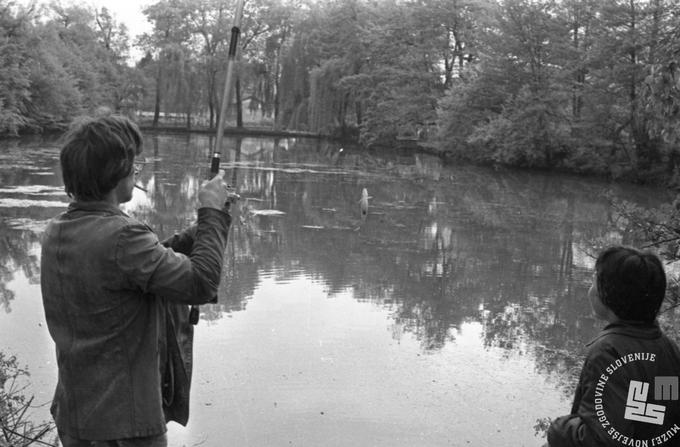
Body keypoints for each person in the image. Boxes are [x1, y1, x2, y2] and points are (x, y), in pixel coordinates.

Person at [40, 115, 238, 447]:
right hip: (124, 427)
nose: (137, 170)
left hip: (76, 417)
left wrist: (207, 226)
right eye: (134, 163)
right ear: (114, 172)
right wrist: (211, 214)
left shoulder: (59, 229)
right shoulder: (123, 237)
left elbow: (137, 266)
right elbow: (202, 282)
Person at [547, 246, 680, 447]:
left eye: (594, 282)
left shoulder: (608, 354)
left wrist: (560, 429)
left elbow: (602, 440)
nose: (589, 289)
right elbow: (666, 412)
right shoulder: (667, 349)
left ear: (607, 294)